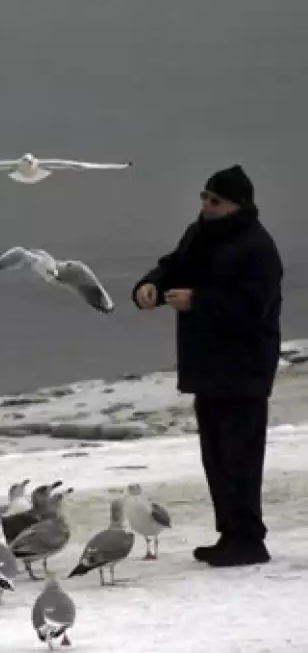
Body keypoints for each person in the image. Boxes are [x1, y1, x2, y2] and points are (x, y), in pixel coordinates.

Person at [133, 164, 283, 567]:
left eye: (214, 200)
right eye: (203, 196)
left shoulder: (258, 247)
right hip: (208, 367)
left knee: (241, 457)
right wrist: (151, 286)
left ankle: (249, 538)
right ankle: (231, 535)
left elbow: (255, 307)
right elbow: (174, 265)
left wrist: (198, 301)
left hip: (245, 369)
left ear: (237, 204)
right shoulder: (200, 232)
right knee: (216, 456)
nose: (205, 204)